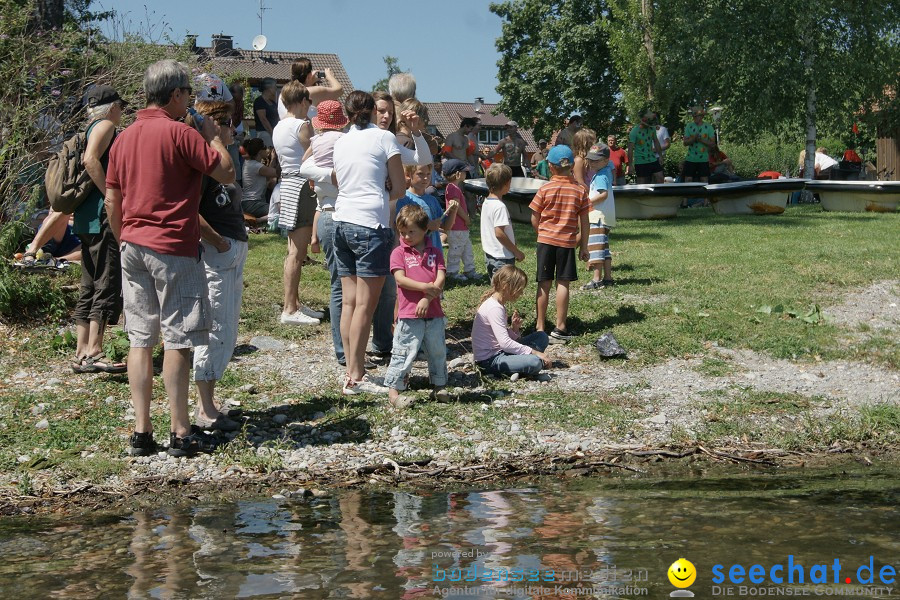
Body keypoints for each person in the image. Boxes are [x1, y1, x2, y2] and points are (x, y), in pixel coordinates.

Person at [105, 59, 235, 458]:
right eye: (187, 95)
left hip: (133, 243)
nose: (190, 102)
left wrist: (123, 236)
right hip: (174, 246)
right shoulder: (181, 133)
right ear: (176, 94)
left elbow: (113, 197)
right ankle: (180, 430)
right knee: (178, 339)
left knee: (140, 339)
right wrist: (213, 137)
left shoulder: (124, 136)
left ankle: (141, 432)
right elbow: (227, 173)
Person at [332, 90, 407, 394]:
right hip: (370, 224)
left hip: (341, 221)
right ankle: (356, 375)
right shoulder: (384, 138)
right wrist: (382, 191)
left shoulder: (340, 141)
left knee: (349, 303)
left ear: (347, 114)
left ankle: (350, 368)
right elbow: (400, 186)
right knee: (366, 305)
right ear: (374, 112)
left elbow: (337, 180)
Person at [188, 100, 246, 433]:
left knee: (227, 327)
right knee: (215, 328)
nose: (234, 131)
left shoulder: (220, 161)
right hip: (217, 252)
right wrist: (219, 242)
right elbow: (189, 211)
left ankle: (210, 401)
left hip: (230, 250)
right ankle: (205, 408)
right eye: (229, 124)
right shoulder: (205, 163)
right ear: (215, 126)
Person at [71, 85, 127, 374]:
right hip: (101, 216)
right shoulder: (105, 125)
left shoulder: (88, 127)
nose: (122, 112)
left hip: (84, 218)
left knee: (90, 283)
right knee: (107, 280)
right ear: (112, 106)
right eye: (121, 106)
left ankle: (81, 350)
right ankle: (94, 350)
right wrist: (109, 195)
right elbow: (90, 160)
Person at [384, 204, 448, 409]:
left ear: (424, 229)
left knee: (437, 349)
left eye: (411, 231)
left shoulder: (435, 252)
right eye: (402, 232)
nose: (407, 236)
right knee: (404, 350)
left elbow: (441, 277)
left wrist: (427, 298)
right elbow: (401, 280)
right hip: (409, 313)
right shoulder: (398, 253)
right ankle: (394, 390)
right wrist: (425, 288)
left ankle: (439, 384)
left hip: (434, 312)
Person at [300, 99, 349, 365]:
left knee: (336, 285)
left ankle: (341, 350)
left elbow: (303, 167)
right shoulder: (347, 141)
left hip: (326, 213)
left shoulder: (316, 143)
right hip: (350, 211)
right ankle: (357, 345)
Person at [273, 80, 323, 326]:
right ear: (303, 101)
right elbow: (317, 153)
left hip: (288, 184)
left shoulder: (279, 126)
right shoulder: (303, 125)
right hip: (302, 185)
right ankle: (290, 309)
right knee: (297, 252)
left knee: (293, 250)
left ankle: (293, 302)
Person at [528, 145, 590, 344]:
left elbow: (534, 217)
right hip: (566, 243)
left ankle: (539, 326)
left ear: (551, 167)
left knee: (543, 283)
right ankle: (560, 327)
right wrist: (585, 246)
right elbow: (585, 223)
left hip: (545, 242)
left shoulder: (544, 188)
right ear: (572, 166)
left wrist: (542, 234)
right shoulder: (580, 191)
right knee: (563, 283)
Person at [472, 265, 551, 379]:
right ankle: (521, 367)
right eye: (519, 289)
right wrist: (535, 352)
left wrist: (514, 329)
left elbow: (499, 339)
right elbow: (504, 343)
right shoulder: (495, 308)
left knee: (541, 336)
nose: (521, 293)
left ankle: (518, 367)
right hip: (489, 361)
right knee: (535, 362)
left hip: (500, 352)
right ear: (505, 286)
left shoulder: (499, 305)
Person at [480, 164, 525, 281]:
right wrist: (516, 251)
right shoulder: (500, 207)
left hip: (490, 255)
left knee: (496, 288)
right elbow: (499, 233)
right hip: (502, 257)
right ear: (507, 184)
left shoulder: (486, 202)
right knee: (502, 292)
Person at [396, 163, 453, 255]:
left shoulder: (432, 200)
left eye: (428, 174)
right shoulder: (404, 199)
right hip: (414, 254)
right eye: (420, 174)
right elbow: (399, 227)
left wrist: (453, 211)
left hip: (434, 252)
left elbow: (446, 226)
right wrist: (427, 225)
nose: (425, 178)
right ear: (409, 175)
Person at [582, 143, 616, 290]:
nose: (591, 162)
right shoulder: (606, 170)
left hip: (598, 217)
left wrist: (587, 202)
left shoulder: (601, 175)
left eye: (596, 160)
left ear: (606, 161)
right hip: (605, 216)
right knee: (604, 248)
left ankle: (597, 279)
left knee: (595, 248)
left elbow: (603, 195)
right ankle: (608, 278)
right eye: (590, 159)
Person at [442, 158, 480, 282]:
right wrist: (466, 219)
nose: (466, 174)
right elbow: (456, 208)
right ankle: (452, 273)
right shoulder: (453, 188)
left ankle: (470, 270)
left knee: (466, 250)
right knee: (456, 250)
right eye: (464, 172)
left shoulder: (454, 187)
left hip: (461, 228)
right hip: (457, 227)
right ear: (458, 174)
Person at [278, 58, 344, 119]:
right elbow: (339, 90)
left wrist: (310, 81)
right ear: (309, 75)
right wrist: (329, 76)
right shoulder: (311, 91)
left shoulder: (283, 93)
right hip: (306, 130)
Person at [240, 138, 275, 222]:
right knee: (280, 211)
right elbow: (275, 173)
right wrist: (274, 158)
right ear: (260, 152)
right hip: (252, 203)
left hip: (250, 203)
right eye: (265, 147)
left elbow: (269, 175)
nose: (267, 150)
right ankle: (258, 220)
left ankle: (257, 219)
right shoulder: (256, 166)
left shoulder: (249, 163)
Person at [627, 109, 664, 184]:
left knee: (660, 177)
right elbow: (630, 149)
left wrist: (660, 156)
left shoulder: (652, 129)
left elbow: (656, 142)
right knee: (642, 184)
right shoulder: (634, 131)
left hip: (652, 159)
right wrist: (630, 165)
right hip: (640, 161)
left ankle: (659, 195)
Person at [683, 106, 715, 183]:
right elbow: (685, 143)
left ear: (702, 116)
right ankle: (688, 194)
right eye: (694, 116)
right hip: (690, 158)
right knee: (688, 179)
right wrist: (693, 139)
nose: (694, 118)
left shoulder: (709, 127)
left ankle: (705, 195)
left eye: (696, 116)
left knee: (704, 180)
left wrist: (701, 140)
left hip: (703, 159)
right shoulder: (689, 126)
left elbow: (712, 144)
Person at [253, 78, 279, 146]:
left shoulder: (273, 103)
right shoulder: (259, 101)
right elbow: (263, 119)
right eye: (274, 86)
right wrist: (272, 133)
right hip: (265, 133)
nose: (276, 89)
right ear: (269, 88)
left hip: (273, 132)